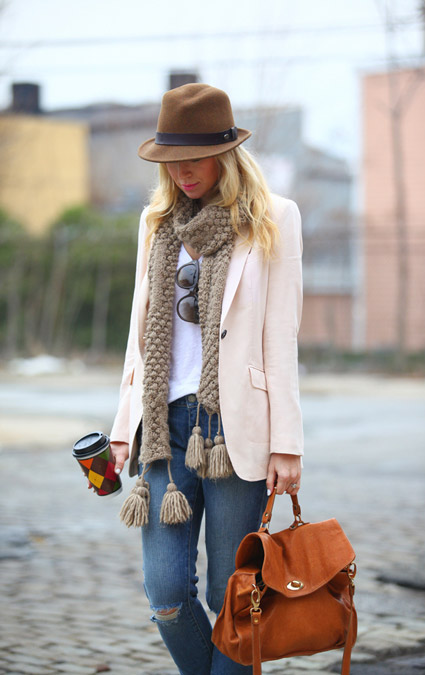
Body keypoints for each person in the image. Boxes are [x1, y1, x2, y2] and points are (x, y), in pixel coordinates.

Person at [109, 82, 304, 675]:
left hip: (234, 428)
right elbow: (139, 336)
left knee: (231, 595)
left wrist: (287, 443)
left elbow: (281, 338)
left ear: (226, 154)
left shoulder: (273, 218)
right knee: (167, 595)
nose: (183, 171)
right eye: (172, 160)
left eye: (194, 158)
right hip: (163, 429)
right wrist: (121, 429)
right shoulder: (156, 223)